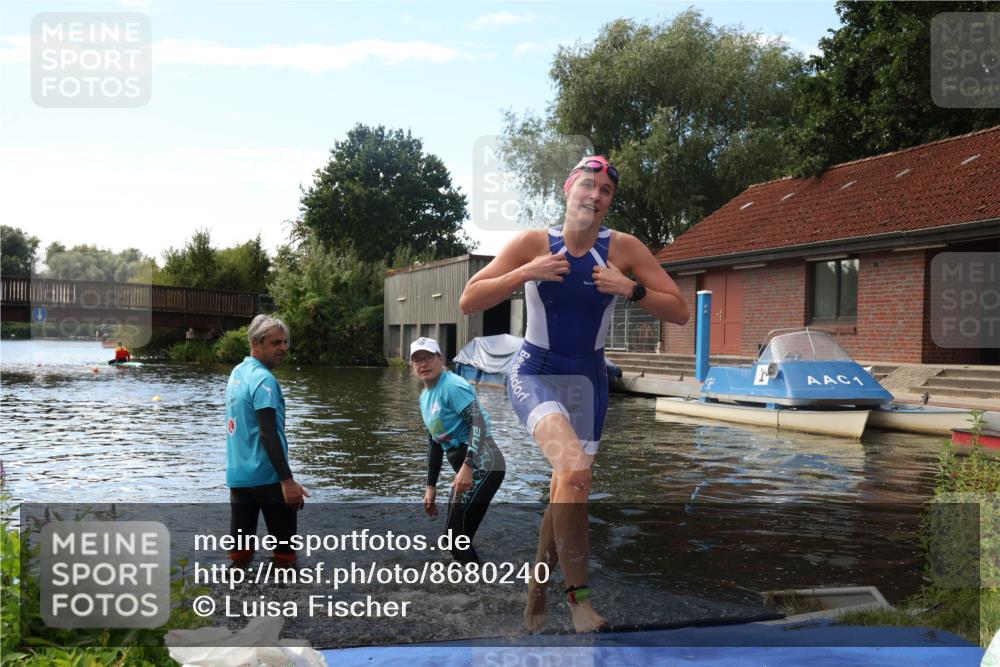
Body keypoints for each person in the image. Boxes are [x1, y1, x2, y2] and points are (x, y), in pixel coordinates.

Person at [459, 156, 689, 633]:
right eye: (588, 185)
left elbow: (679, 310)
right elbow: (469, 300)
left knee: (569, 485)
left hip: (588, 380)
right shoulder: (533, 243)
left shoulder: (624, 248)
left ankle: (537, 588)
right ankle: (579, 601)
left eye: (605, 191)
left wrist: (631, 288)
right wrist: (526, 272)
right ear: (568, 189)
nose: (595, 196)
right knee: (574, 470)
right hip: (536, 371)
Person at [411, 337, 505, 565]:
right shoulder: (425, 397)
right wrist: (430, 487)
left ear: (440, 358)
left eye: (428, 357)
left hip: (484, 464)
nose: (423, 363)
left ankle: (478, 584)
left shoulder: (452, 385)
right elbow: (434, 443)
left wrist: (468, 466)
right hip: (467, 469)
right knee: (451, 540)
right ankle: (465, 581)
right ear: (412, 365)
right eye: (417, 359)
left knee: (456, 539)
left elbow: (479, 423)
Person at [225, 314, 309, 563]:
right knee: (285, 557)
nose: (283, 348)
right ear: (256, 343)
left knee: (239, 556)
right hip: (269, 479)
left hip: (239, 479)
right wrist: (288, 482)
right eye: (275, 343)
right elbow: (268, 432)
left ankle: (238, 588)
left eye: (285, 342)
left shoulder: (237, 373)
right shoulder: (264, 380)